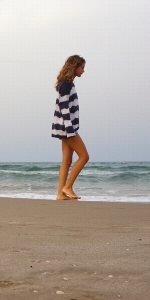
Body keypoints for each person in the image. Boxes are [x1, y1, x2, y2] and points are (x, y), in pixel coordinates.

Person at [51, 55, 89, 200]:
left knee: (66, 161)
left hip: (63, 127)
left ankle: (60, 193)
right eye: (82, 67)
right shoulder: (66, 84)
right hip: (67, 128)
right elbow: (64, 107)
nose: (83, 71)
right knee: (84, 156)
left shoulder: (66, 83)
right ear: (74, 67)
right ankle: (68, 187)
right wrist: (70, 129)